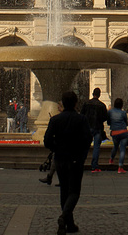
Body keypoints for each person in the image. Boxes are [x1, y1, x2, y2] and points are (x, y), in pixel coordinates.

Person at [44, 91, 92, 235]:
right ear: (76, 103)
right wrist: (82, 155)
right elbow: (88, 139)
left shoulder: (55, 120)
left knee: (64, 190)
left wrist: (56, 148)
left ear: (62, 104)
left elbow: (47, 141)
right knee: (75, 191)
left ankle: (69, 225)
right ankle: (64, 218)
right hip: (75, 159)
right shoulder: (81, 119)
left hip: (60, 159)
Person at [80, 87, 108, 173]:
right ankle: (94, 166)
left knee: (85, 147)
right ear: (99, 95)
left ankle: (80, 164)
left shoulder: (86, 103)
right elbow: (105, 117)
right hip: (98, 128)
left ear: (93, 94)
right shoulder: (102, 105)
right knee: (96, 147)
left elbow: (82, 115)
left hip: (87, 128)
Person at [107, 98, 128, 174]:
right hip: (123, 132)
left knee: (115, 146)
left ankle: (111, 159)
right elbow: (126, 123)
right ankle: (120, 167)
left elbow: (108, 122)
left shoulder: (110, 112)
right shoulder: (123, 113)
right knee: (122, 149)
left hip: (115, 132)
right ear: (121, 105)